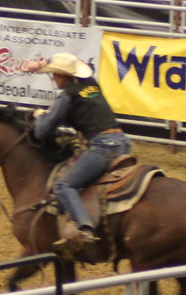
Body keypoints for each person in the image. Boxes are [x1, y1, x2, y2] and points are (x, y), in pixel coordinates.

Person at [22, 52, 132, 255]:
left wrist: (39, 116)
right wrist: (39, 64)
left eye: (56, 74)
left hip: (103, 147)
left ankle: (84, 227)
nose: (53, 78)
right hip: (122, 143)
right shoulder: (91, 84)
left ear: (66, 76)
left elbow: (42, 131)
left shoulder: (67, 96)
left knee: (63, 184)